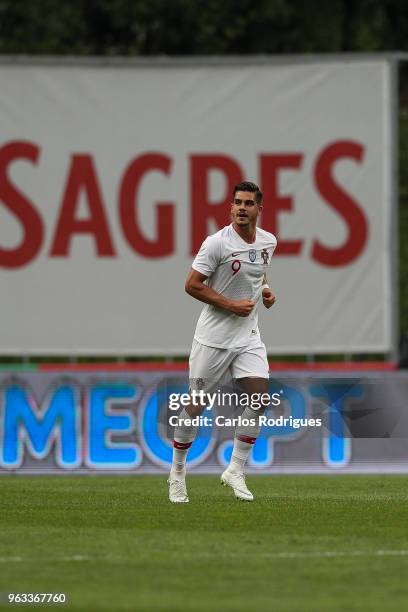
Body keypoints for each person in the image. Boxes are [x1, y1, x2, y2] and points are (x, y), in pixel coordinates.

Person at [168, 181, 277, 503]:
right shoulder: (216, 243)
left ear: (259, 209)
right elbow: (191, 285)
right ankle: (177, 473)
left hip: (248, 336)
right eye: (237, 203)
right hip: (213, 338)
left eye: (248, 203)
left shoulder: (269, 241)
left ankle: (235, 470)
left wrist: (266, 292)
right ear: (230, 208)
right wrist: (230, 305)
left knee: (260, 399)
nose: (241, 208)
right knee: (196, 404)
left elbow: (258, 275)